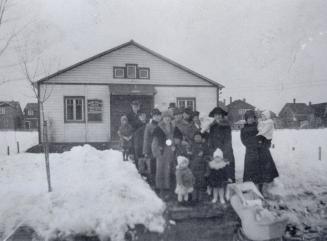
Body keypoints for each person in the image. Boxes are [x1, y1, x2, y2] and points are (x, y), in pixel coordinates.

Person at [241, 110, 279, 192]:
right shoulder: (243, 130)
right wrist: (256, 142)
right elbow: (245, 142)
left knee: (262, 174)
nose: (250, 120)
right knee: (251, 174)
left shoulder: (259, 127)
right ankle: (252, 191)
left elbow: (265, 138)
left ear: (254, 118)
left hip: (261, 153)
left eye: (252, 118)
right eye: (249, 118)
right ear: (246, 119)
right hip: (250, 154)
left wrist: (264, 142)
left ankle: (262, 191)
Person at [151, 110, 175, 198]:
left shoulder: (172, 127)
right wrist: (156, 151)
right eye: (165, 117)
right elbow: (155, 142)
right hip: (161, 151)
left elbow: (172, 138)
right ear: (163, 118)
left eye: (169, 117)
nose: (167, 119)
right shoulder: (158, 128)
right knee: (160, 169)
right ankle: (159, 188)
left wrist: (173, 145)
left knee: (167, 169)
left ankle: (166, 188)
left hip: (169, 151)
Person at [208, 107, 236, 182]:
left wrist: (224, 153)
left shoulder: (226, 126)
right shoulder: (212, 127)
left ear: (222, 116)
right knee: (217, 175)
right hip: (215, 153)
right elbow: (210, 140)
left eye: (220, 115)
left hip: (226, 153)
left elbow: (228, 141)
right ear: (214, 116)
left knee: (228, 174)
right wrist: (212, 152)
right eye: (216, 115)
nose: (218, 116)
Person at [189, 132, 210, 202]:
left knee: (201, 184)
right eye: (196, 137)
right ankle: (194, 198)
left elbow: (208, 158)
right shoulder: (191, 146)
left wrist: (207, 171)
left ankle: (200, 198)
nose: (197, 138)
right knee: (193, 183)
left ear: (201, 138)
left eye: (199, 137)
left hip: (201, 169)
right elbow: (189, 156)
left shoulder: (204, 146)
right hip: (193, 168)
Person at [143, 108, 162, 185]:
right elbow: (146, 139)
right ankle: (153, 183)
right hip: (152, 149)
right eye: (155, 116)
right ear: (152, 116)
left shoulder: (162, 125)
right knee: (153, 166)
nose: (157, 117)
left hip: (161, 149)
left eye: (158, 115)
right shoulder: (149, 126)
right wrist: (145, 151)